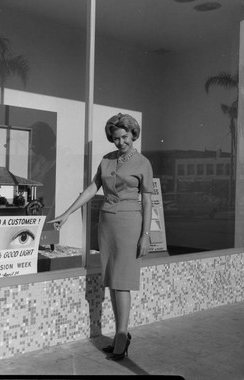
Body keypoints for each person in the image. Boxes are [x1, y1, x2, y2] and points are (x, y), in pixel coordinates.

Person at [48, 113, 153, 361]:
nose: (120, 143)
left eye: (124, 137)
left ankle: (121, 335)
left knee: (122, 280)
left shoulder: (143, 163)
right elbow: (91, 188)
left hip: (130, 223)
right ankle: (120, 334)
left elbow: (148, 201)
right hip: (106, 222)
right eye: (116, 138)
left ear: (133, 135)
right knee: (111, 279)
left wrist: (145, 235)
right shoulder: (106, 160)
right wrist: (67, 213)